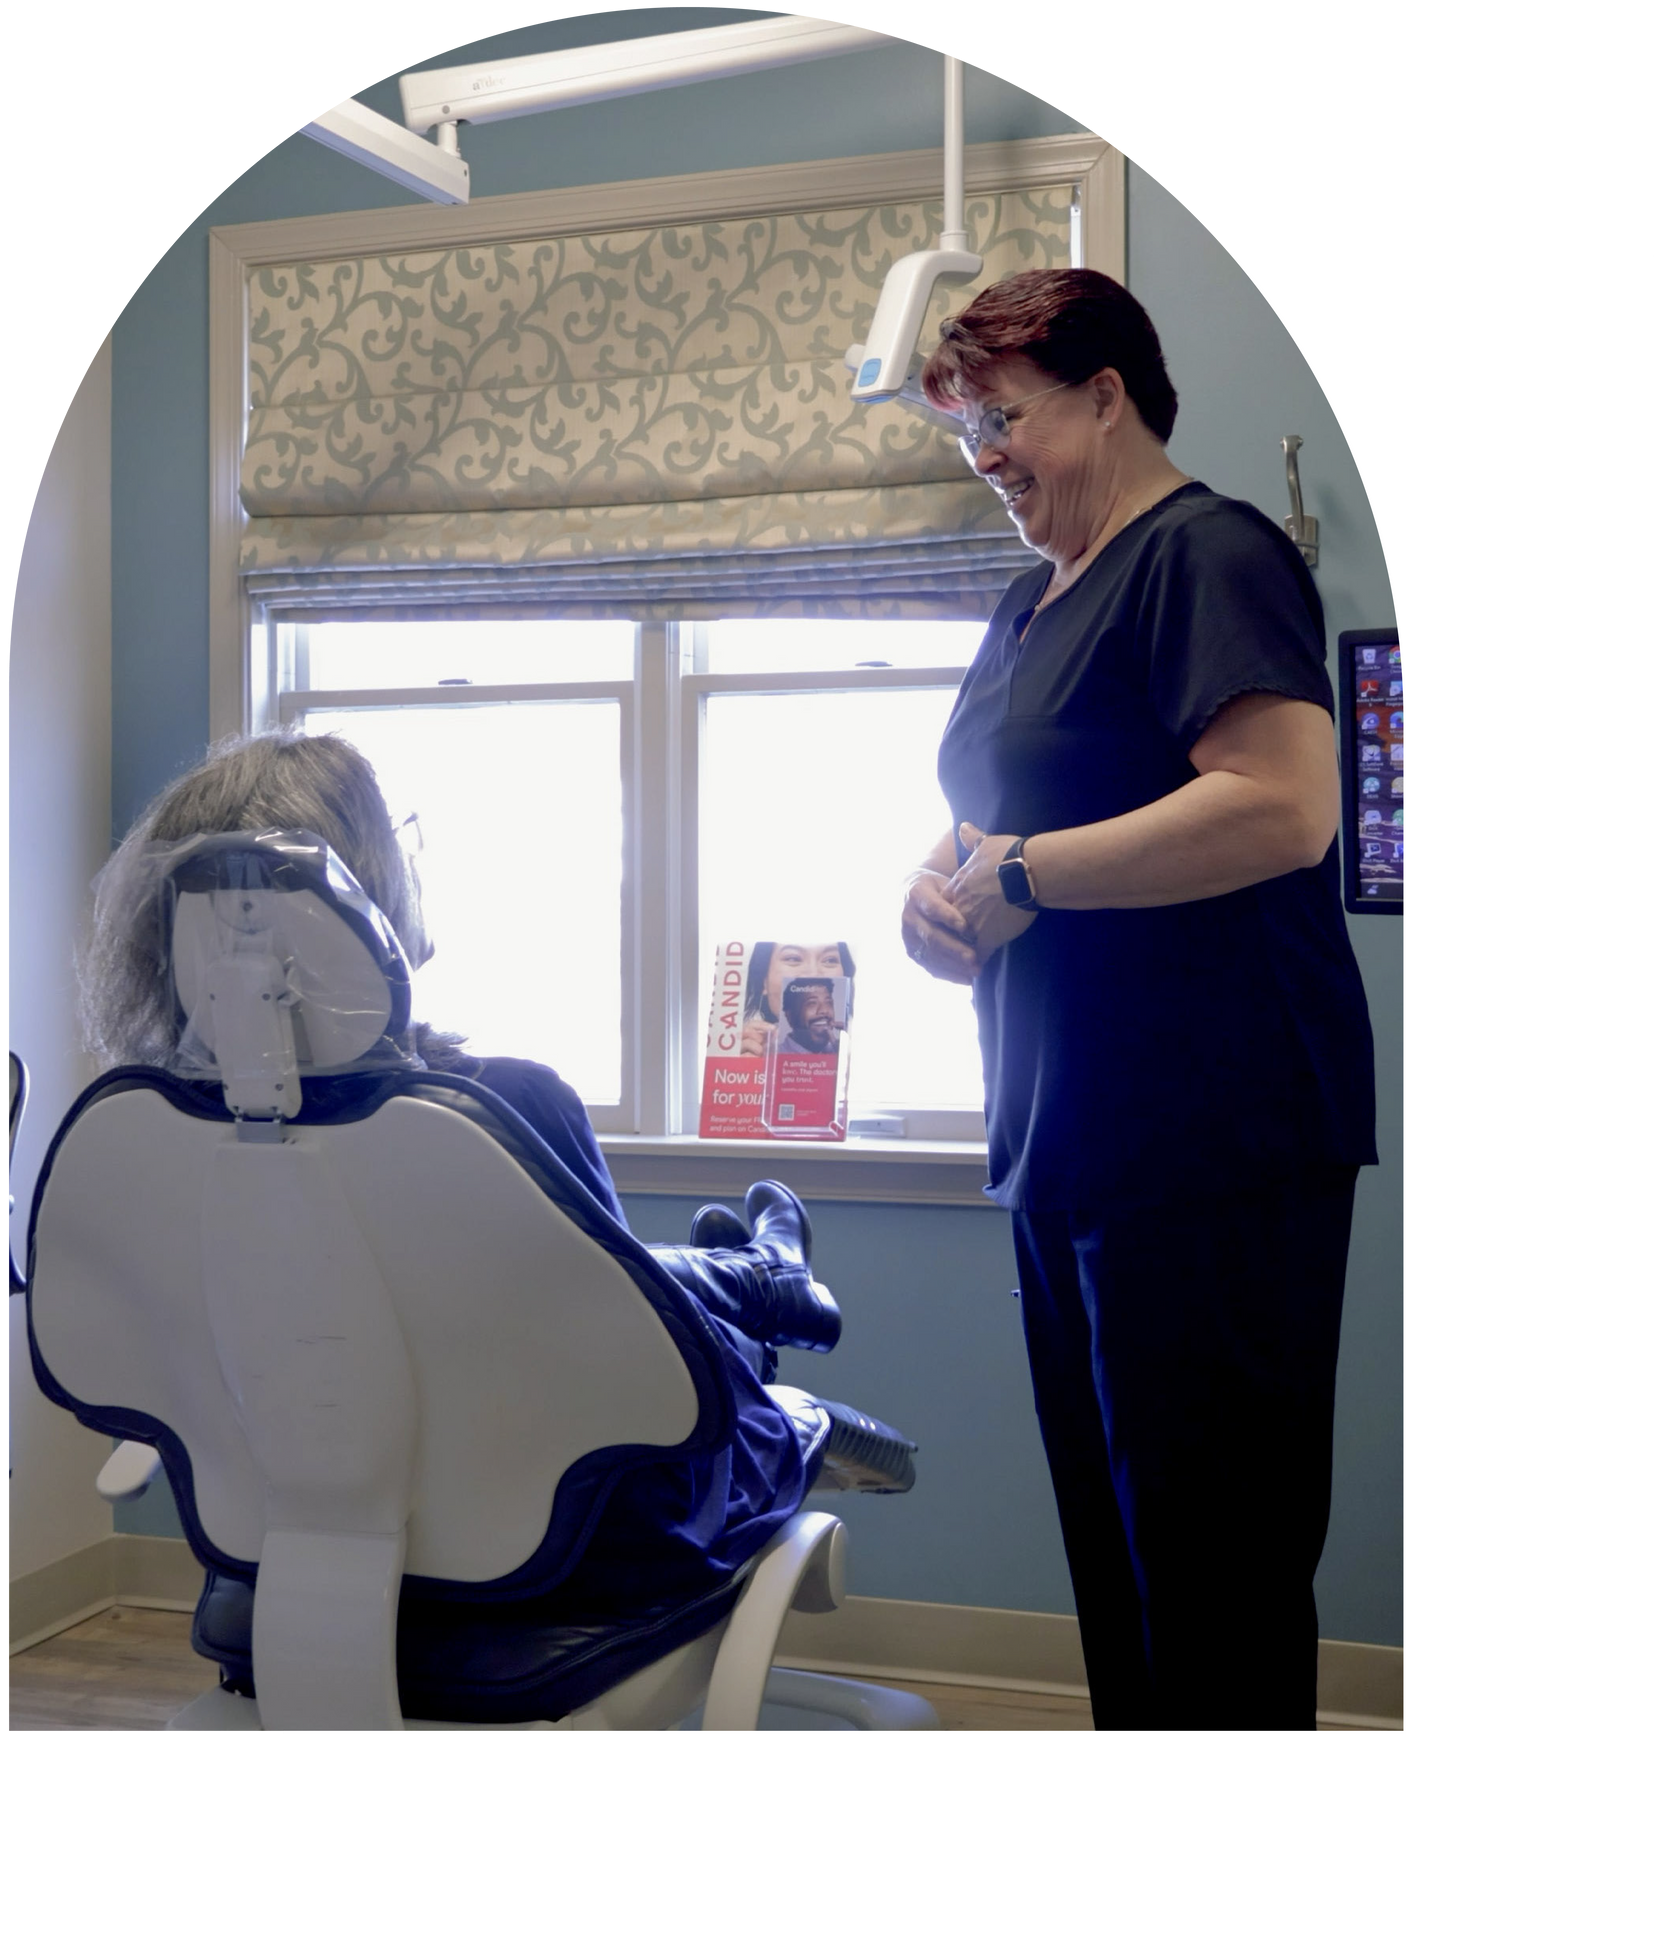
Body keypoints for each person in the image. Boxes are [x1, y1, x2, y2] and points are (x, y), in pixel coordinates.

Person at [901, 269, 1378, 1730]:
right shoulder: (1028, 599)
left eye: (1005, 415)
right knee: (1120, 1563)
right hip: (1066, 1138)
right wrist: (940, 906)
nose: (985, 453)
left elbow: (1282, 809)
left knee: (1211, 1569)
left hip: (1211, 1143)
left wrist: (1022, 880)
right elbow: (994, 823)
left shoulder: (1209, 554)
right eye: (965, 426)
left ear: (1108, 394)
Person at [79, 728, 848, 1613]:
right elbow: (630, 1379)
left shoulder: (146, 1147)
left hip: (277, 1571)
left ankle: (757, 1278)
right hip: (572, 1564)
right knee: (696, 1344)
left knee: (624, 1288)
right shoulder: (505, 1111)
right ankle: (761, 1282)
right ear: (376, 902)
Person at [739, 941, 854, 1055]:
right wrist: (740, 1069)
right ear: (763, 981)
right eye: (793, 959)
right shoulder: (741, 1047)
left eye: (830, 960)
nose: (813, 974)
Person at [776, 977, 840, 1054]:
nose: (824, 1010)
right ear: (790, 1016)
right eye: (812, 1003)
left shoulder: (839, 1051)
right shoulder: (774, 1055)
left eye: (828, 1002)